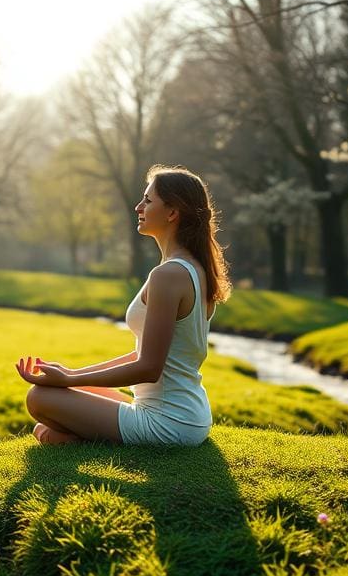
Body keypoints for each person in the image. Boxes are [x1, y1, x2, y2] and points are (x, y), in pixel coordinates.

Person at [16, 165, 231, 446]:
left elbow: (148, 368)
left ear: (172, 212)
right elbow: (143, 355)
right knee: (60, 401)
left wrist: (65, 381)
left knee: (39, 398)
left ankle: (79, 440)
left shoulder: (169, 275)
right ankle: (74, 437)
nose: (138, 206)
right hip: (189, 417)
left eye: (148, 200)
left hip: (169, 423)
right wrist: (70, 375)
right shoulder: (191, 268)